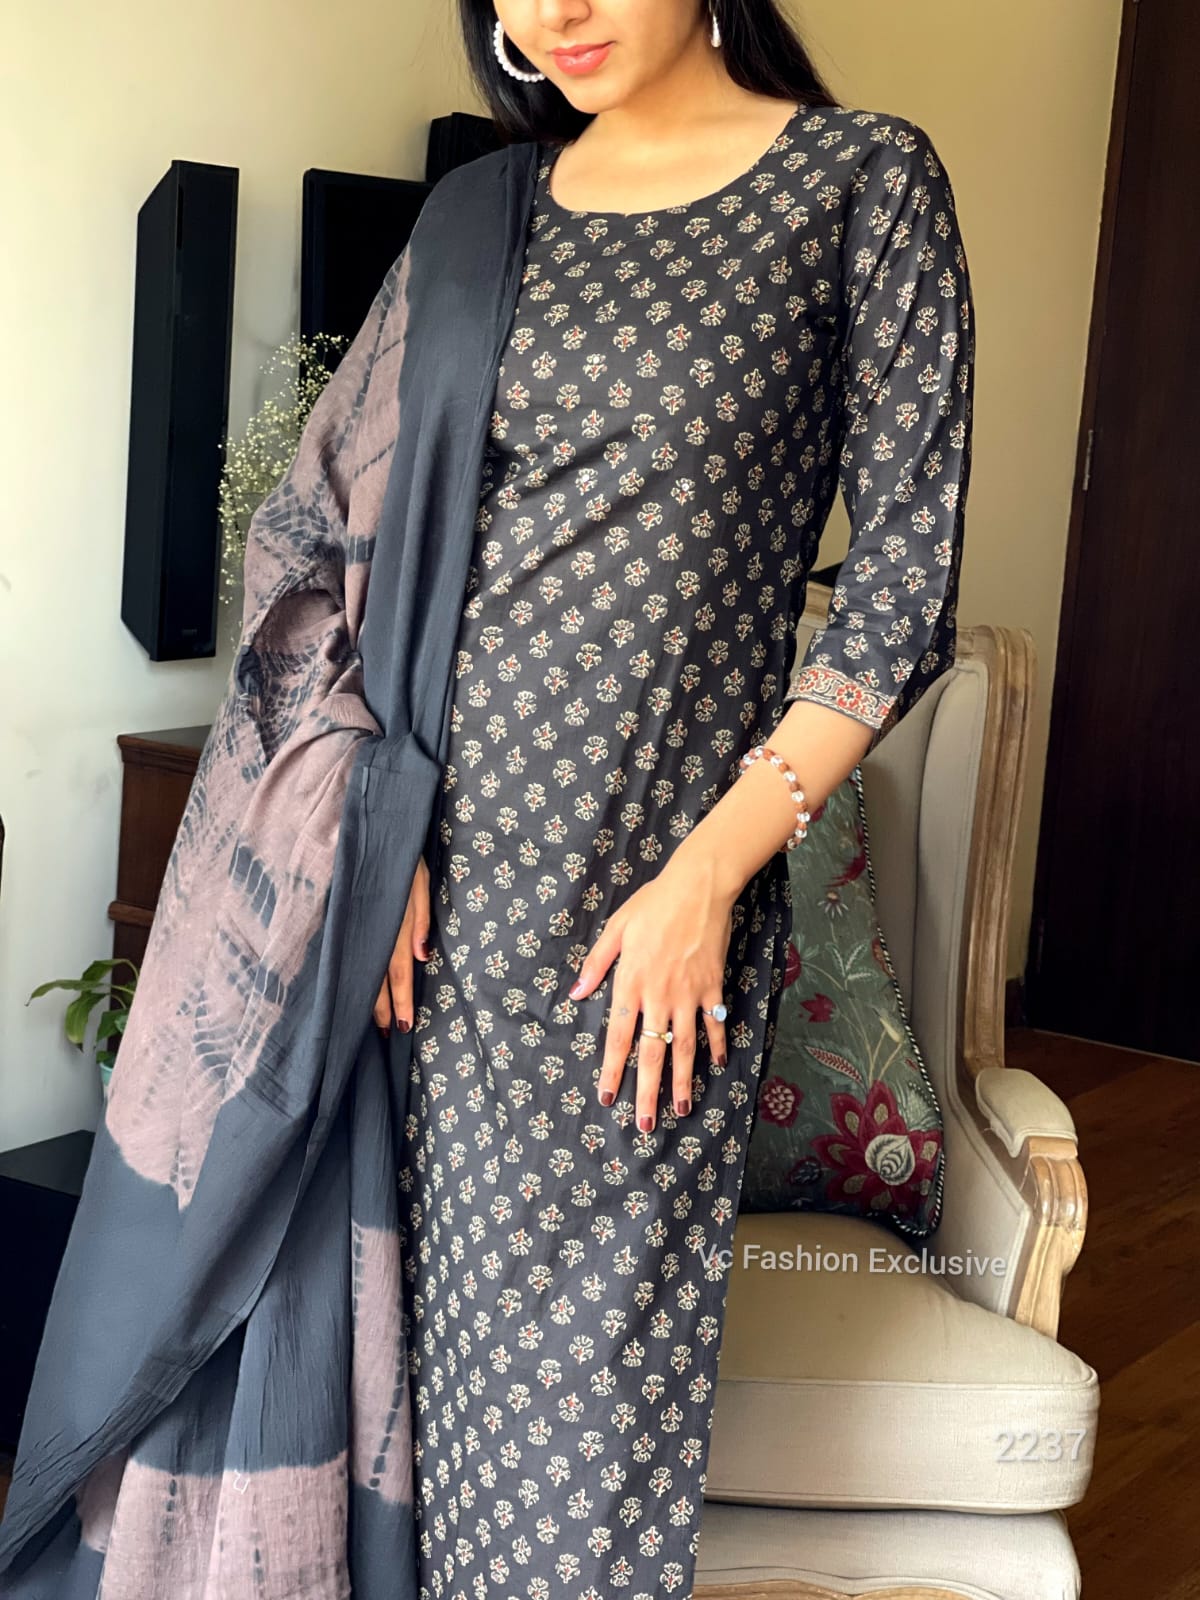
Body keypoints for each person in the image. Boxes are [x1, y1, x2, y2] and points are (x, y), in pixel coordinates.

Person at [373, 4, 975, 1599]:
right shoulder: (481, 218)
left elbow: (901, 595)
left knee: (579, 1448)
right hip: (429, 922)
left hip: (649, 926)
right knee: (398, 1408)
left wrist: (711, 878)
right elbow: (357, 534)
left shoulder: (857, 183)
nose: (547, 13)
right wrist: (375, 826)